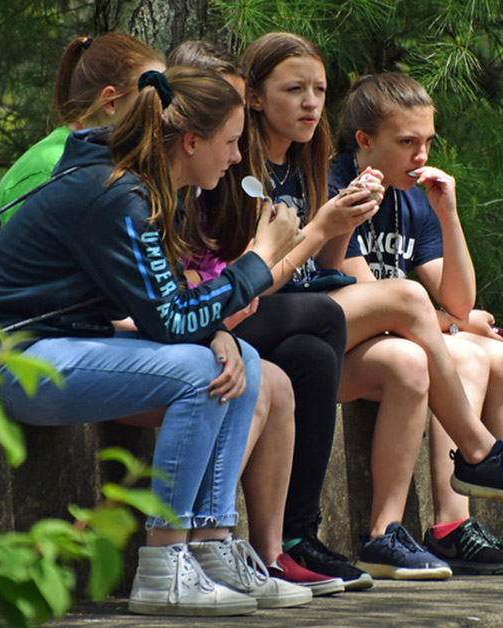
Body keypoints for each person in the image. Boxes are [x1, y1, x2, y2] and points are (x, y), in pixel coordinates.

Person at [0, 68, 311, 616]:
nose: (238, 157)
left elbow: (155, 306)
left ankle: (211, 548)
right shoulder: (118, 195)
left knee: (248, 361)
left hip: (58, 347)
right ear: (191, 142)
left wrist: (220, 334)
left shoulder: (150, 189)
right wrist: (260, 261)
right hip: (3, 362)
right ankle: (163, 567)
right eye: (232, 142)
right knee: (199, 371)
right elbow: (166, 319)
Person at [240, 32, 503, 582]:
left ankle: (385, 534)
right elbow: (333, 282)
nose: (310, 102)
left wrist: (447, 214)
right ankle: (476, 453)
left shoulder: (309, 165)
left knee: (413, 361)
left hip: (317, 330)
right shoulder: (292, 169)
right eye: (294, 88)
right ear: (255, 98)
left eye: (319, 89)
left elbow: (452, 298)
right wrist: (334, 224)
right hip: (266, 318)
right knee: (409, 300)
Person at [332, 72, 503, 574]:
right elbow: (364, 298)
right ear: (364, 140)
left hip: (400, 337)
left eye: (426, 142)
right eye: (406, 143)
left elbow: (460, 302)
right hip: (349, 344)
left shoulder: (411, 196)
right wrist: (451, 328)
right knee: (463, 351)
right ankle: (451, 526)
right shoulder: (340, 186)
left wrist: (448, 214)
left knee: (502, 356)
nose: (421, 156)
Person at [157, 38, 349, 596]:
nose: (240, 155)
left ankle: (279, 548)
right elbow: (189, 294)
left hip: (226, 317)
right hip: (208, 319)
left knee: (303, 361)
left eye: (319, 90)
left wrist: (340, 225)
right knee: (329, 321)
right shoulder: (165, 188)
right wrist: (314, 232)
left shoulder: (231, 170)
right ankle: (186, 548)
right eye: (295, 89)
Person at [0, 33, 165, 218]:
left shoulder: (105, 159)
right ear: (110, 102)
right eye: (152, 96)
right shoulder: (50, 167)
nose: (164, 111)